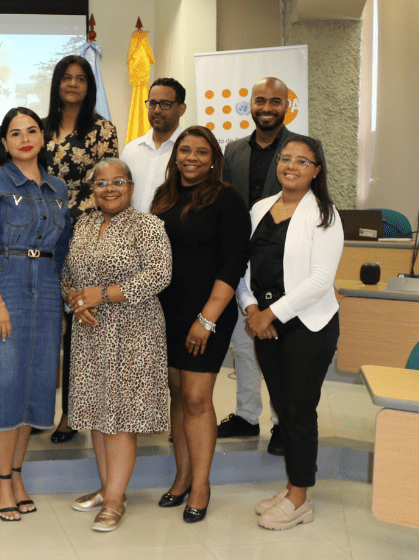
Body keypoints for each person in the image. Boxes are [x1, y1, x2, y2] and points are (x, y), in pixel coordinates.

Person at [0, 107, 71, 522]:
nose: (24, 138)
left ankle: (18, 474)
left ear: (42, 138)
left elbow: (61, 252)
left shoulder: (58, 187)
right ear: (3, 143)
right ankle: (2, 480)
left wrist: (60, 305)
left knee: (35, 386)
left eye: (32, 130)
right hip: (2, 285)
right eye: (14, 133)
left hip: (45, 287)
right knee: (4, 385)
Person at [237, 135, 342, 530]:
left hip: (308, 326)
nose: (291, 165)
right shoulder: (261, 208)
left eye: (303, 161)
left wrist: (270, 315)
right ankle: (294, 484)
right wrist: (251, 309)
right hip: (265, 322)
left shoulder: (325, 214)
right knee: (282, 405)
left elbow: (319, 280)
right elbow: (243, 268)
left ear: (316, 171)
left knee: (298, 410)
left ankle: (300, 496)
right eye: (286, 158)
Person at [62, 158, 172, 531]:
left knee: (121, 417)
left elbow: (160, 274)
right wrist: (76, 301)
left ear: (131, 186)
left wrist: (103, 295)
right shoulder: (86, 223)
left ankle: (113, 502)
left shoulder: (147, 225)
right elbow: (67, 272)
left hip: (134, 331)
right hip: (90, 330)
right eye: (101, 183)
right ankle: (109, 487)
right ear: (91, 188)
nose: (109, 189)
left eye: (117, 182)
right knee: (97, 412)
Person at [151, 126, 251, 523]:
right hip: (166, 310)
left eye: (201, 151)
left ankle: (202, 484)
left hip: (208, 311)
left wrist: (207, 318)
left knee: (196, 397)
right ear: (175, 156)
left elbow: (233, 263)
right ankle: (181, 476)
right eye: (184, 150)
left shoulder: (227, 199)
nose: (191, 157)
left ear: (214, 158)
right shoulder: (164, 197)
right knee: (178, 392)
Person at [42, 54, 119, 443]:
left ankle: (72, 414)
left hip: (84, 238)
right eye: (66, 78)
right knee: (40, 324)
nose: (73, 84)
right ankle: (36, 407)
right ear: (56, 83)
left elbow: (105, 185)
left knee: (77, 326)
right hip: (39, 238)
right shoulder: (39, 128)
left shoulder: (102, 130)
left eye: (80, 78)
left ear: (89, 86)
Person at [218, 77, 295, 453]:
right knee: (243, 341)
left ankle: (283, 422)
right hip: (243, 258)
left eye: (275, 101)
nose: (267, 107)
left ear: (287, 106)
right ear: (251, 105)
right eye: (260, 101)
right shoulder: (233, 150)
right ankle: (247, 416)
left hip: (285, 261)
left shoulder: (302, 149)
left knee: (281, 345)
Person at [124, 78, 187, 212]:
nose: (157, 110)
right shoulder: (131, 149)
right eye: (152, 103)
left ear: (181, 109)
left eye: (165, 104)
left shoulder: (189, 153)